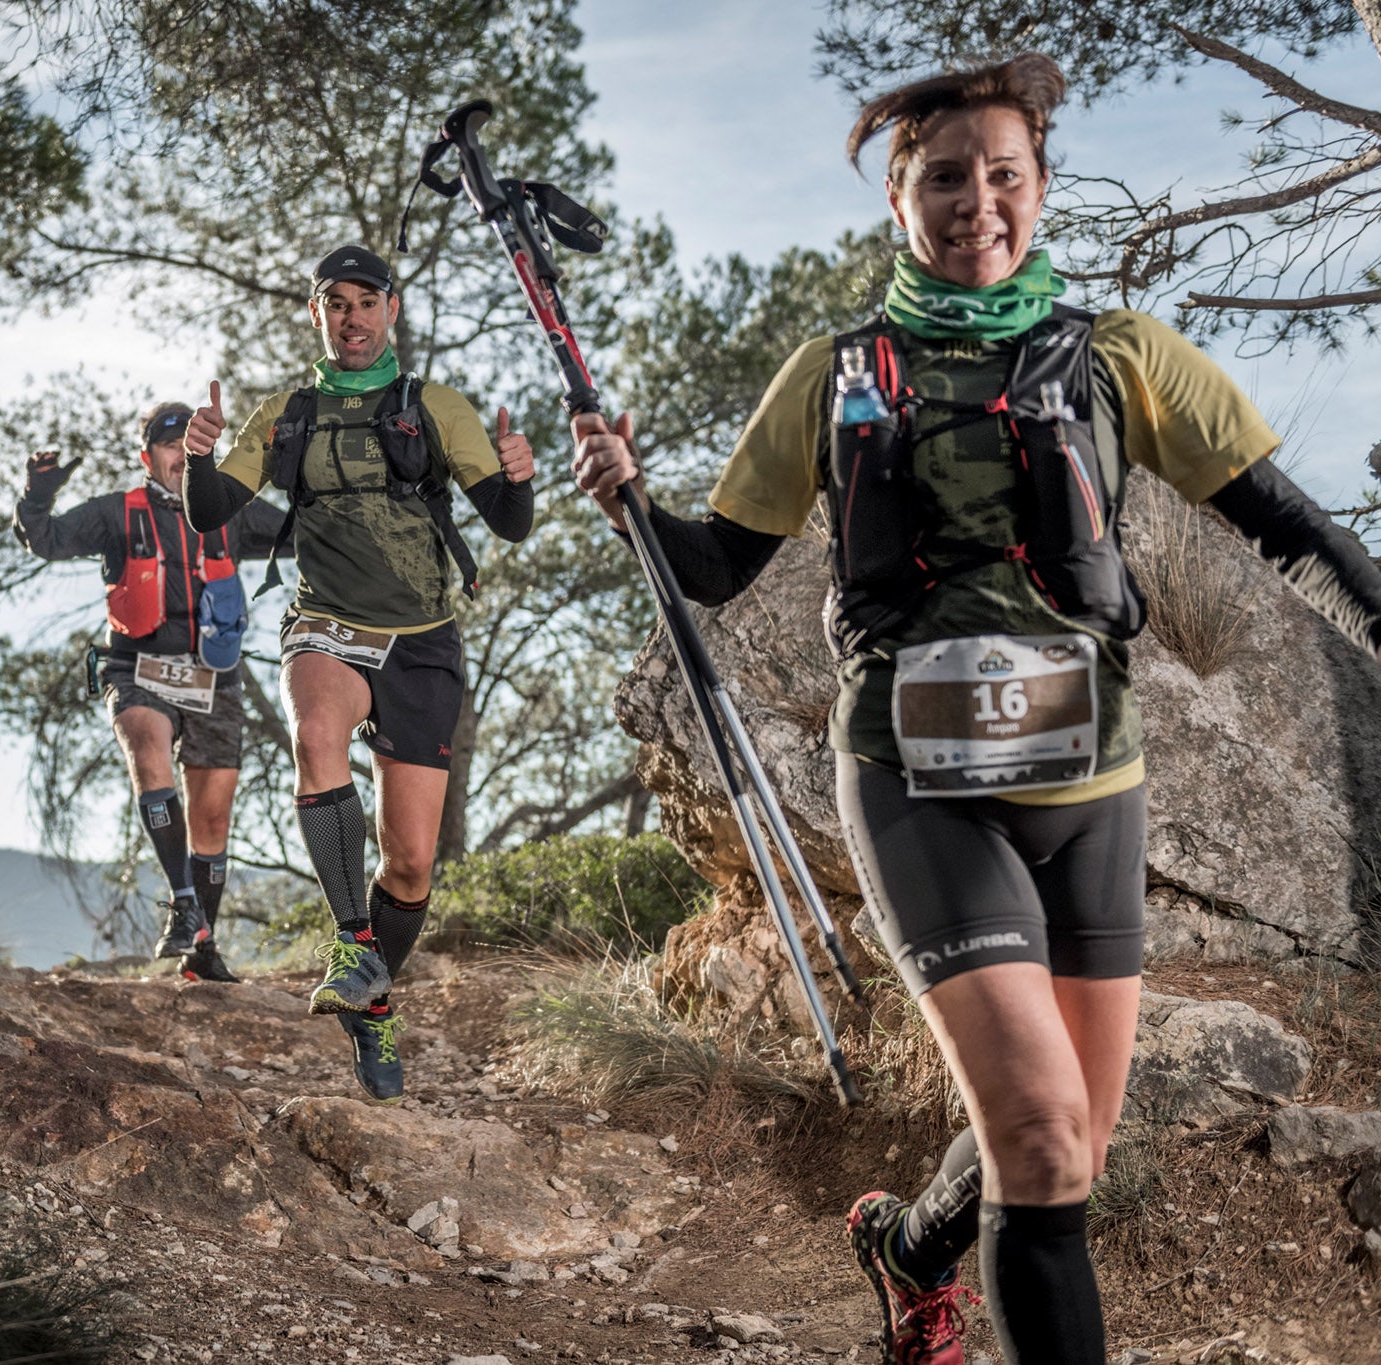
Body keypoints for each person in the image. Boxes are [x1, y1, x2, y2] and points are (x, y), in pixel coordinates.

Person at [571, 54, 1381, 1365]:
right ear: (900, 201)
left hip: (1094, 793)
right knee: (1050, 1143)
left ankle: (909, 1248)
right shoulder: (831, 376)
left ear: (1041, 190)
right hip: (916, 782)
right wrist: (629, 502)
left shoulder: (1122, 358)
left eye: (1004, 175)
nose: (977, 202)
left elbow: (1291, 532)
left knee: (1067, 1141)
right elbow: (716, 567)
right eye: (945, 177)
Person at [181, 243, 537, 1104]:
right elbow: (209, 512)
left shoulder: (436, 408)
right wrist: (200, 455)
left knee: (412, 865)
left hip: (422, 642)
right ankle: (351, 942)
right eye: (334, 302)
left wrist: (519, 472)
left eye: (366, 301)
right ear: (316, 314)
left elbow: (510, 522)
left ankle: (372, 998)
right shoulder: (285, 414)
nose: (351, 316)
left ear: (392, 309)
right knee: (315, 733)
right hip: (325, 627)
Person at [15, 402, 290, 981]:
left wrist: (315, 476)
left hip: (215, 679)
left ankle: (202, 949)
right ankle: (183, 902)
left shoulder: (232, 513)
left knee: (212, 821)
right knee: (147, 747)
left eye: (191, 447)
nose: (181, 458)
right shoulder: (117, 514)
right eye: (170, 447)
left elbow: (306, 531)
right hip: (137, 670)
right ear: (149, 457)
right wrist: (38, 496)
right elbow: (46, 538)